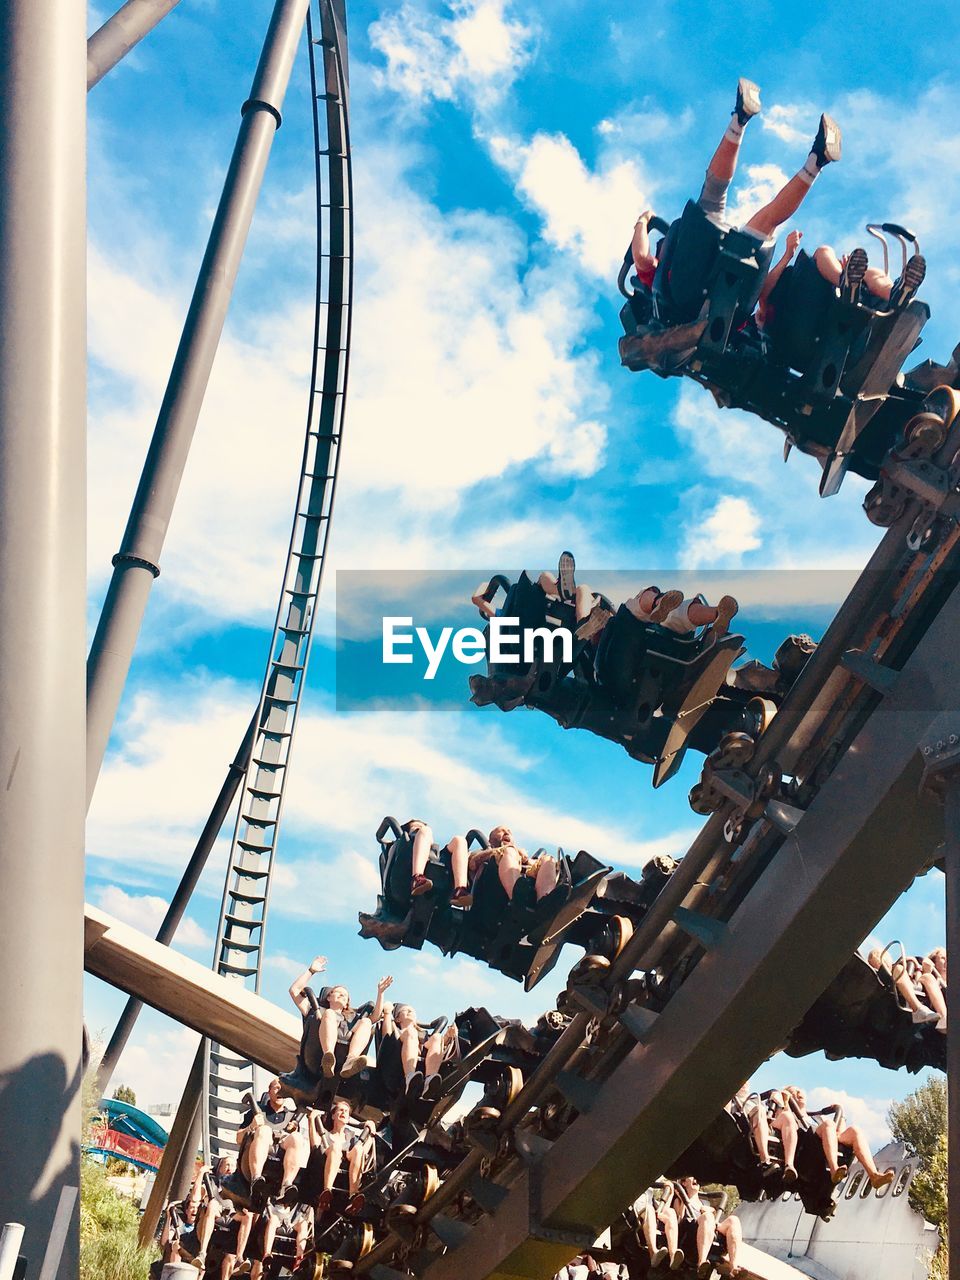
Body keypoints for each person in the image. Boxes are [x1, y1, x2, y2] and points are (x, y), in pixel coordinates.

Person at [631, 78, 841, 290]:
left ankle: (743, 121)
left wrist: (642, 221)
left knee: (723, 205)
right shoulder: (663, 276)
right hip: (725, 292)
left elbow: (641, 258)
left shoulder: (663, 272)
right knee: (759, 217)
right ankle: (815, 162)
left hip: (700, 288)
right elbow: (640, 257)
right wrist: (643, 221)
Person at [289, 959, 393, 1078]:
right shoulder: (317, 1010)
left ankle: (350, 1060)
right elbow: (294, 991)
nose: (341, 995)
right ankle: (328, 1058)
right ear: (329, 997)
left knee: (367, 1021)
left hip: (344, 1061)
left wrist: (380, 993)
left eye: (345, 995)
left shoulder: (353, 1019)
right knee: (329, 1013)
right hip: (316, 1058)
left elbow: (375, 1017)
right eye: (337, 992)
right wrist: (310, 971)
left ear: (347, 1004)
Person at [782, 1085, 894, 1190]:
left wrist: (841, 1114)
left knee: (855, 1130)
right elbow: (784, 1119)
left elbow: (838, 1133)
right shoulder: (790, 1116)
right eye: (793, 1091)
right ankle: (834, 1169)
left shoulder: (817, 1117)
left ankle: (874, 1176)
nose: (798, 1092)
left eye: (799, 1090)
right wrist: (785, 1102)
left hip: (826, 1141)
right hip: (807, 1147)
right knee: (829, 1124)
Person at [234, 1077, 310, 1203]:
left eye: (283, 1089)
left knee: (297, 1138)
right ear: (269, 1092)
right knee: (264, 1130)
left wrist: (293, 1132)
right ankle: (256, 1180)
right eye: (276, 1088)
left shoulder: (291, 1118)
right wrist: (252, 1126)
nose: (280, 1091)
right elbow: (238, 1138)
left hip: (278, 1163)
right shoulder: (257, 1112)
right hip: (250, 1163)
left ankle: (286, 1185)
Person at [310, 1098, 377, 1215]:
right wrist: (311, 1119)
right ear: (333, 1116)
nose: (343, 1113)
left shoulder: (352, 1138)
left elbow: (363, 1153)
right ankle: (327, 1192)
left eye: (346, 1111)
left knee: (359, 1148)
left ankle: (353, 1195)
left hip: (347, 1167)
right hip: (325, 1162)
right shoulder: (325, 1134)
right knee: (335, 1147)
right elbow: (314, 1146)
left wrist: (371, 1133)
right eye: (340, 1110)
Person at [811, 243, 926, 310]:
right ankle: (844, 283)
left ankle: (898, 293)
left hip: (864, 295)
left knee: (876, 273)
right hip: (830, 292)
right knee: (824, 250)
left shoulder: (866, 275)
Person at [468, 824, 560, 904]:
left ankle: (544, 901)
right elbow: (473, 863)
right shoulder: (484, 852)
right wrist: (506, 849)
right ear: (491, 840)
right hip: (491, 889)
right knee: (509, 850)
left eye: (509, 832)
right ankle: (516, 899)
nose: (507, 833)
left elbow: (533, 865)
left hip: (526, 880)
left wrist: (527, 860)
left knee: (548, 859)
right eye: (501, 831)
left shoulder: (518, 855)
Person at [674, 1177, 743, 1279]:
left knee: (734, 1220)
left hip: (707, 1231)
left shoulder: (704, 1204)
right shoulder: (679, 1200)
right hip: (689, 1233)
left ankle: (734, 1268)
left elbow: (712, 1223)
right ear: (684, 1183)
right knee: (707, 1217)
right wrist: (683, 1200)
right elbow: (680, 1221)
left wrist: (713, 1212)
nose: (695, 1179)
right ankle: (701, 1263)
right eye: (691, 1176)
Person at [405, 818, 474, 907]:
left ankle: (460, 891)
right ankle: (417, 878)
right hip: (410, 866)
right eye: (415, 827)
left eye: (420, 827)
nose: (419, 828)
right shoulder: (406, 844)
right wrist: (422, 831)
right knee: (426, 831)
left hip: (439, 864)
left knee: (460, 840)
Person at [866, 946, 940, 1026]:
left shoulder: (898, 972)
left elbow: (916, 986)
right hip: (886, 1006)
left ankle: (919, 1008)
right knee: (899, 969)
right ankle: (917, 1009)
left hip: (899, 1003)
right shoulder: (888, 973)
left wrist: (918, 968)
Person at [249, 1196, 314, 1280]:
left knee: (303, 1224)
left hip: (292, 1219)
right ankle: (267, 1253)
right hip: (275, 1215)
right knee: (273, 1219)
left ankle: (299, 1258)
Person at [633, 1180, 683, 1270]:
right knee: (650, 1209)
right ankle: (653, 1253)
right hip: (635, 1211)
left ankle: (673, 1255)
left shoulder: (650, 1190)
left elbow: (662, 1209)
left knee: (670, 1212)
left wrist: (670, 1194)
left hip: (650, 1213)